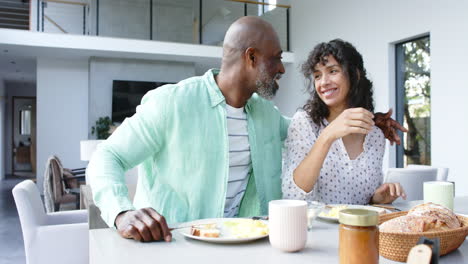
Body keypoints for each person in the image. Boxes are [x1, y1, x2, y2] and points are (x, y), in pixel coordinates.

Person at [88, 19, 405, 243]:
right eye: (277, 59)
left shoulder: (266, 115)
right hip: (176, 244)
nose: (282, 68)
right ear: (251, 57)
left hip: (247, 244)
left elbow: (315, 127)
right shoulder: (170, 103)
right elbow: (107, 156)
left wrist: (371, 120)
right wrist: (121, 213)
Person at [282, 39, 406, 205]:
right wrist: (328, 135)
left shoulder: (375, 135)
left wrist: (377, 198)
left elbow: (364, 201)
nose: (323, 82)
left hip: (359, 230)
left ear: (355, 74)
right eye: (317, 75)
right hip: (316, 229)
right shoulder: (305, 123)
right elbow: (293, 195)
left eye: (333, 71)